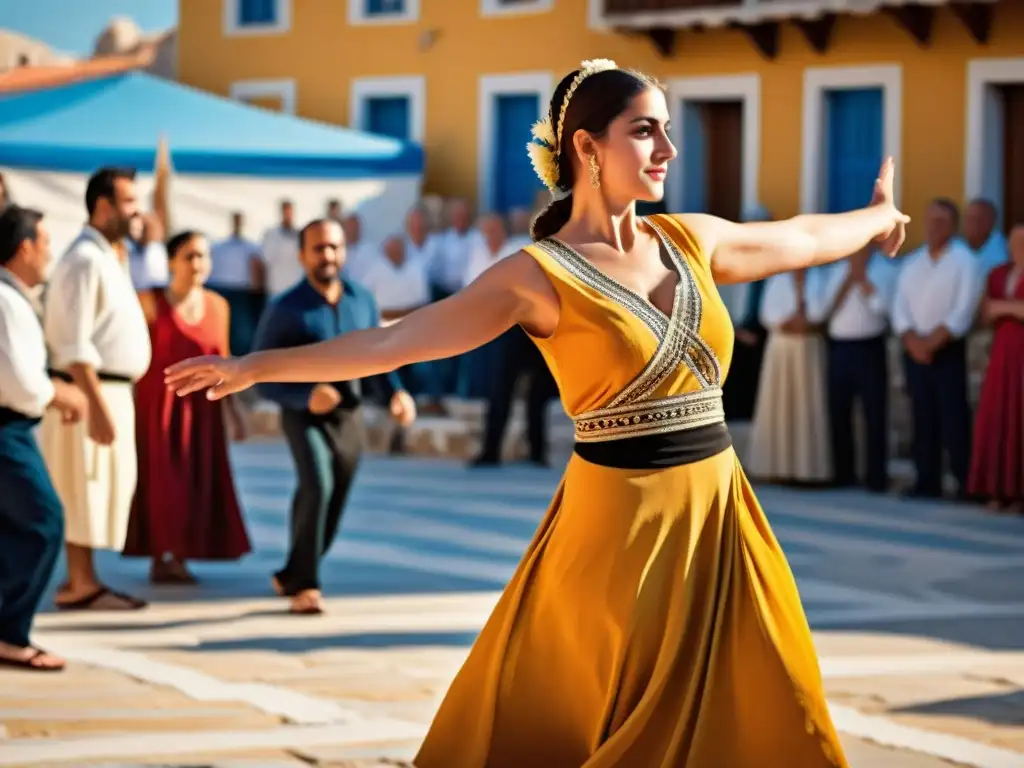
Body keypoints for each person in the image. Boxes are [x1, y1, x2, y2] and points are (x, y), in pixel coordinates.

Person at [166, 60, 908, 767]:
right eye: (646, 130)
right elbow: (397, 340)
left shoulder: (691, 240)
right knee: (603, 711)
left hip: (719, 515)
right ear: (587, 147)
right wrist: (257, 365)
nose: (668, 149)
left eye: (667, 129)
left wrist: (877, 218)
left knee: (773, 697)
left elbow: (804, 236)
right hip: (615, 533)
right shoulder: (537, 275)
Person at [250, 218, 417, 615]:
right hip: (304, 416)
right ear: (302, 255)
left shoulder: (362, 299)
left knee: (336, 497)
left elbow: (382, 352)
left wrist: (396, 392)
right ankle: (306, 585)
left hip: (350, 415)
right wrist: (304, 395)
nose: (327, 255)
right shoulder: (285, 308)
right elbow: (260, 375)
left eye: (334, 247)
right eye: (319, 248)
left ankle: (293, 571)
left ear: (344, 252)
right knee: (317, 485)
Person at [42, 167, 153, 611]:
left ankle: (86, 579)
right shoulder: (83, 260)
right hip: (89, 393)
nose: (136, 211)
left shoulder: (109, 255)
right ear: (104, 206)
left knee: (102, 487)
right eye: (129, 202)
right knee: (81, 486)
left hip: (110, 392)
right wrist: (96, 403)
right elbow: (72, 341)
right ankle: (80, 582)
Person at [123, 231, 251, 583]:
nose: (198, 264)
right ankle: (161, 554)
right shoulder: (149, 301)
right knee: (164, 482)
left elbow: (224, 359)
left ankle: (178, 554)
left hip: (204, 411)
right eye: (190, 256)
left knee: (197, 481)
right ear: (171, 262)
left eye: (203, 256)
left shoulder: (219, 306)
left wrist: (234, 412)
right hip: (159, 408)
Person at [0, 206, 87, 671]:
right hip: (6, 428)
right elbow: (20, 382)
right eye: (45, 243)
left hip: (12, 424)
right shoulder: (5, 299)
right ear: (25, 246)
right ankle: (10, 634)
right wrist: (60, 395)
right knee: (43, 521)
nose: (49, 252)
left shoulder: (13, 298)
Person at [892, 198, 983, 499]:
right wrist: (912, 342)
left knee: (953, 417)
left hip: (947, 351)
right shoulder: (913, 261)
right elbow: (900, 307)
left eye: (941, 222)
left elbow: (962, 310)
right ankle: (926, 480)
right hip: (914, 349)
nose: (934, 227)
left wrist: (931, 343)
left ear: (953, 226)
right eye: (931, 221)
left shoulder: (965, 261)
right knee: (922, 416)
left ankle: (963, 482)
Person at [820, 245, 898, 492]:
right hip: (840, 347)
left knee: (874, 412)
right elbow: (824, 310)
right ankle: (843, 473)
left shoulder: (886, 270)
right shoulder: (835, 271)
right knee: (838, 411)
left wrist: (863, 281)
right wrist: (847, 282)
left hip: (870, 346)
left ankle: (876, 477)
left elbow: (885, 310)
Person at [746, 267, 832, 484]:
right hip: (782, 346)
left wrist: (808, 320)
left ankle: (807, 471)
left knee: (807, 406)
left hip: (809, 347)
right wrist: (789, 321)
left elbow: (823, 309)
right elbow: (767, 313)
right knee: (780, 404)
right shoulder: (778, 279)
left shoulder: (820, 277)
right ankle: (776, 468)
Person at [967, 224, 1024, 511]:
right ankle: (996, 489)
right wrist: (1012, 308)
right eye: (1015, 242)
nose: (1019, 248)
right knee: (1000, 416)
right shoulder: (999, 274)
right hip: (1003, 353)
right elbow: (987, 312)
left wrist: (1007, 308)